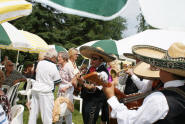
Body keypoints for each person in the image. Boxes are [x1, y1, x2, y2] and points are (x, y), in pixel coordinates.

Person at [103, 42, 185, 124]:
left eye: (160, 66)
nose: (159, 69)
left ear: (166, 70)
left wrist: (111, 97)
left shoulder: (159, 99)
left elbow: (130, 121)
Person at [78, 46, 116, 124]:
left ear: (101, 60)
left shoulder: (103, 72)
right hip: (86, 99)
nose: (92, 61)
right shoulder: (91, 68)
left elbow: (95, 88)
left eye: (94, 59)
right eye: (91, 58)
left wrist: (83, 83)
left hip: (94, 102)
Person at [28, 48, 61, 124]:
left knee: (33, 113)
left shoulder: (40, 63)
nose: (56, 59)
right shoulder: (53, 66)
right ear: (52, 57)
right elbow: (58, 81)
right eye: (55, 58)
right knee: (47, 116)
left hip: (36, 89)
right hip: (46, 92)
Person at [56, 51, 75, 124]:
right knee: (59, 107)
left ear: (64, 58)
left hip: (68, 91)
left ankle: (68, 122)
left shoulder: (68, 67)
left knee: (67, 109)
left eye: (59, 57)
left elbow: (73, 79)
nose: (58, 58)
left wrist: (66, 87)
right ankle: (59, 122)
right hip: (61, 89)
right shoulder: (59, 66)